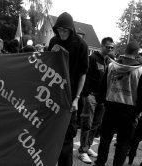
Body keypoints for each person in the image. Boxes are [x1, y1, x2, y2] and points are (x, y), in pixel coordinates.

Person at [94, 41, 142, 166]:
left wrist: (102, 102)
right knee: (123, 143)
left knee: (105, 139)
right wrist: (138, 112)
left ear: (125, 51)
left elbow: (102, 87)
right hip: (128, 111)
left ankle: (100, 163)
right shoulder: (140, 71)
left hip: (110, 107)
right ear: (136, 54)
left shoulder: (111, 66)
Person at [47, 12, 89, 166]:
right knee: (49, 133)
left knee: (66, 137)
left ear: (71, 29)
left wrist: (77, 99)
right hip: (51, 93)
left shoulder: (81, 45)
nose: (62, 33)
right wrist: (51, 53)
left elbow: (83, 74)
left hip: (70, 97)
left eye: (65, 30)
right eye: (59, 30)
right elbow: (45, 65)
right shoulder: (53, 40)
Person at [78, 37, 115, 164]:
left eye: (112, 47)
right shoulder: (92, 58)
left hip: (102, 98)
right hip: (91, 96)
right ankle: (82, 151)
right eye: (108, 47)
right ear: (102, 46)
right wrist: (86, 94)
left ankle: (87, 147)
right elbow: (85, 76)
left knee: (95, 125)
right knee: (87, 123)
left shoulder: (109, 61)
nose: (110, 49)